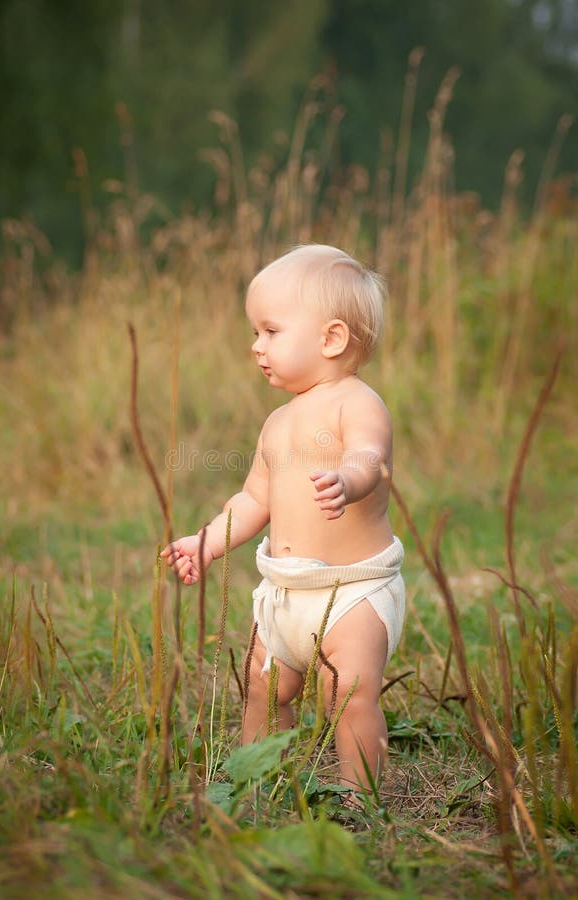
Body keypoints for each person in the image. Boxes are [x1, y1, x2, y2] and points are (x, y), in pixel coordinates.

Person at [161, 244, 405, 795]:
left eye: (270, 331)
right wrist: (204, 542)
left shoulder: (356, 402)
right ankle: (258, 780)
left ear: (331, 339)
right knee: (262, 689)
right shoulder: (275, 423)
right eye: (256, 333)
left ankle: (361, 794)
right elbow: (252, 500)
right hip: (284, 594)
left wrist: (348, 478)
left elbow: (370, 455)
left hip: (353, 591)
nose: (256, 346)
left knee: (348, 692)